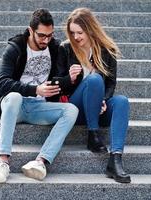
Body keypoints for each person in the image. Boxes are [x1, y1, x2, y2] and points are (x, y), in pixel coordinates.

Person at [0, 8, 78, 183]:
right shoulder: (15, 48)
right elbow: (1, 83)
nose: (46, 40)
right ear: (31, 31)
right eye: (41, 36)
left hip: (39, 107)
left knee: (71, 110)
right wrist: (34, 90)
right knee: (14, 97)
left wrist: (69, 79)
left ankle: (40, 162)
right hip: (15, 106)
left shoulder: (54, 48)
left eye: (50, 35)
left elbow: (58, 83)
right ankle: (3, 162)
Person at [57, 8, 131, 183]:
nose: (75, 37)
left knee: (122, 101)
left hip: (98, 109)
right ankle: (92, 134)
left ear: (90, 29)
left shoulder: (107, 49)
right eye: (72, 32)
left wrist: (104, 100)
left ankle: (115, 160)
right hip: (75, 109)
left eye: (80, 32)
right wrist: (70, 78)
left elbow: (111, 83)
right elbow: (57, 83)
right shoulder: (65, 49)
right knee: (95, 79)